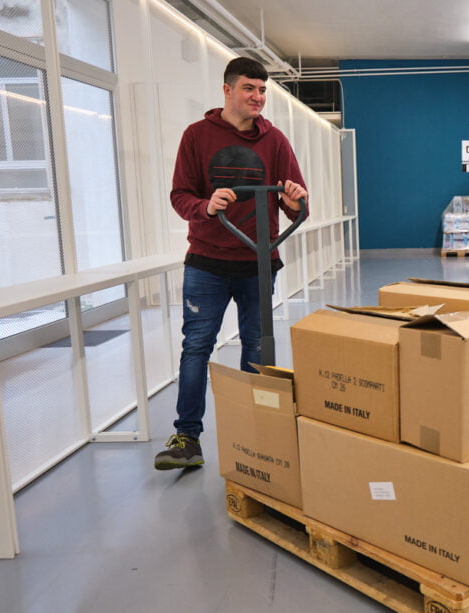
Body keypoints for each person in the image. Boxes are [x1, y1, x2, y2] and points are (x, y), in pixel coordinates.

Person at [155, 57, 308, 470]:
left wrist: (296, 202)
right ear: (227, 90)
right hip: (206, 262)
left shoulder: (275, 141)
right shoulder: (196, 136)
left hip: (258, 262)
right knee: (196, 346)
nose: (258, 97)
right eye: (249, 88)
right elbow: (180, 195)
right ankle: (187, 439)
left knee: (257, 346)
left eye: (262, 90)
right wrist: (206, 206)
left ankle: (256, 433)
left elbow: (296, 202)